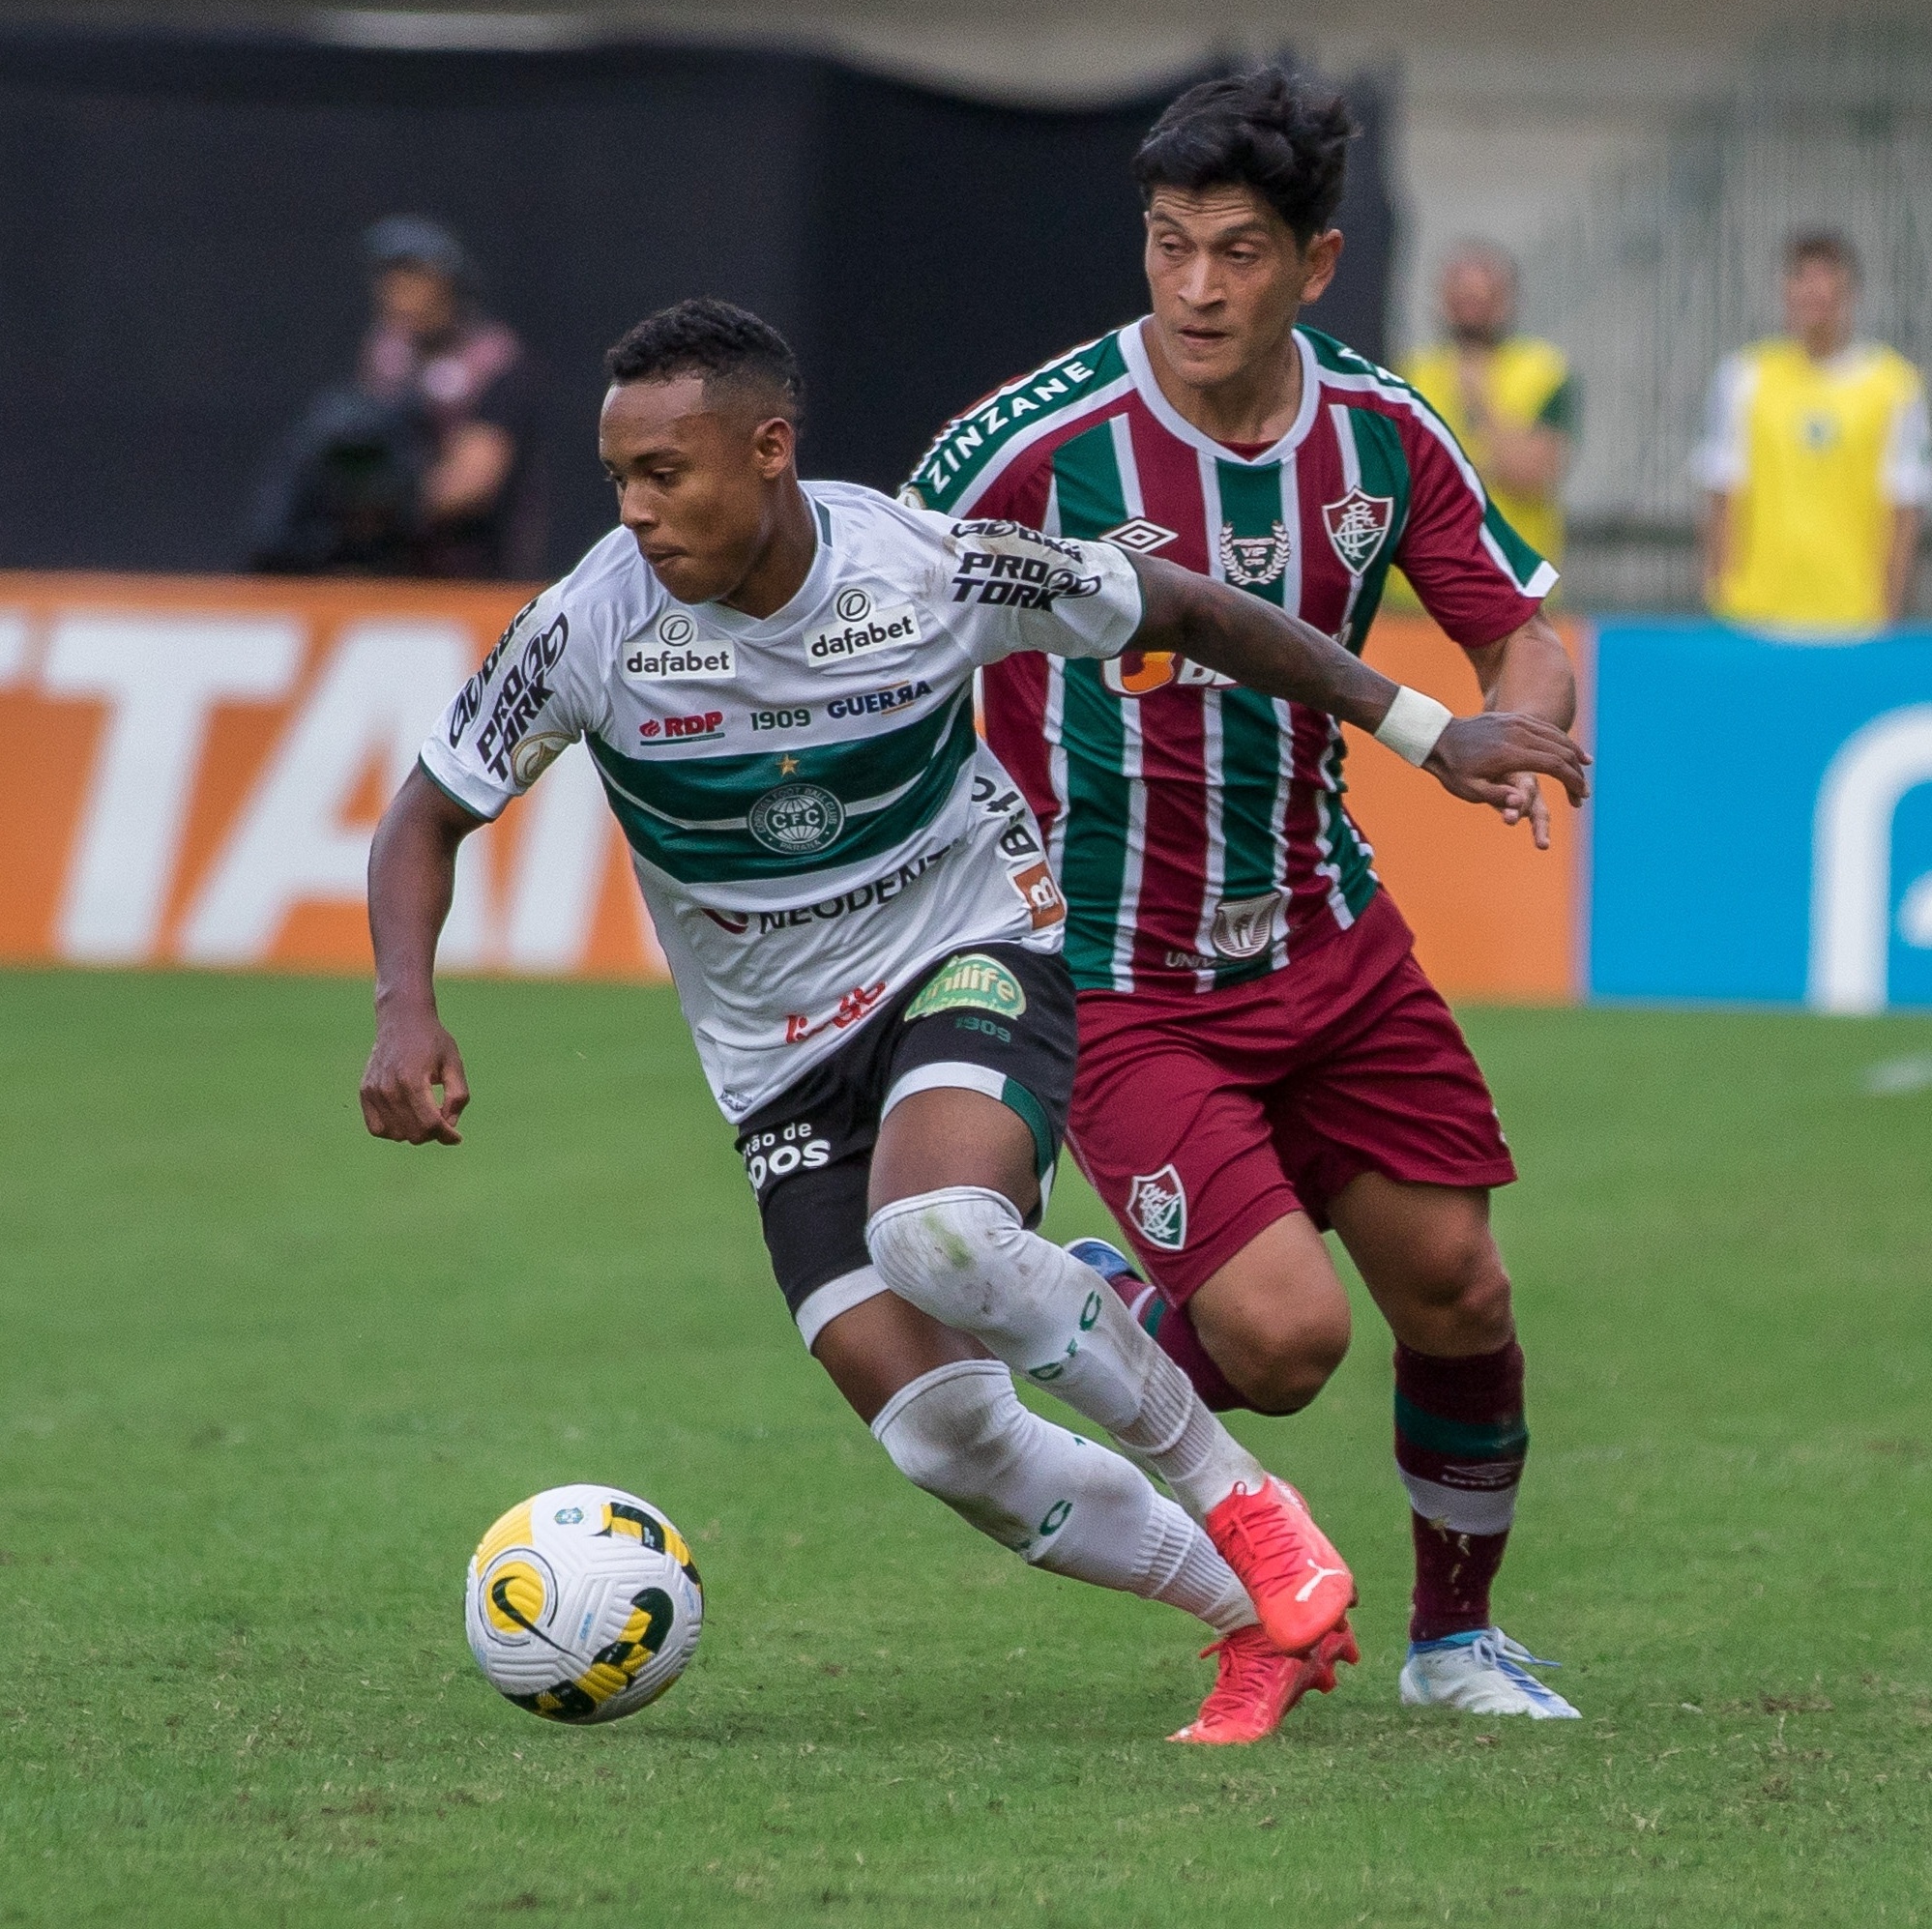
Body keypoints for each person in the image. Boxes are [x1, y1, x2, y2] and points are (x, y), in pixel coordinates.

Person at [360, 299, 1587, 1742]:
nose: (633, 513)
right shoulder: (586, 627)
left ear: (769, 453)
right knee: (942, 1434)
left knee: (932, 1233)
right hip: (776, 1066)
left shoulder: (925, 566)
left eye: (664, 475)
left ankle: (1247, 1509)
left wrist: (1430, 734)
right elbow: (425, 814)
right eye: (618, 477)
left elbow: (1189, 607)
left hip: (973, 945)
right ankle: (1256, 1619)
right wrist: (403, 1007)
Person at [903, 71, 1589, 1719]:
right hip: (1116, 978)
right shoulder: (1031, 443)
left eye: (1232, 251)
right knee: (1282, 1345)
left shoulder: (1376, 430)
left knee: (1458, 1288)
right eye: (1165, 247)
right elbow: (875, 630)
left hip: (1327, 940)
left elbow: (1518, 634)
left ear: (1314, 263)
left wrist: (1527, 734)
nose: (1195, 287)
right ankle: (1139, 1306)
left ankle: (1451, 1644)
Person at [249, 216, 545, 578]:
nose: (400, 295)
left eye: (414, 279)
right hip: (393, 569)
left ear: (448, 285)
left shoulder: (492, 362)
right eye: (391, 281)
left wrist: (387, 504)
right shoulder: (386, 355)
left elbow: (472, 484)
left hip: (471, 571)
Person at [1695, 229, 1928, 637]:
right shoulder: (1744, 377)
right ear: (1786, 291)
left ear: (1850, 292)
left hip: (1853, 618)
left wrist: (1888, 608)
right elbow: (1721, 493)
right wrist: (1721, 596)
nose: (1815, 295)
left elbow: (1904, 507)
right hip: (1755, 614)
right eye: (1802, 280)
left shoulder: (1894, 385)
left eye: (1827, 283)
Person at [1398, 241, 1576, 595]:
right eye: (1461, 300)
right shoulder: (1412, 372)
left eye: (1482, 300)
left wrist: (1479, 403)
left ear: (1506, 301)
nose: (1470, 313)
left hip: (1512, 586)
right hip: (1415, 593)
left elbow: (1530, 476)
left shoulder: (1543, 371)